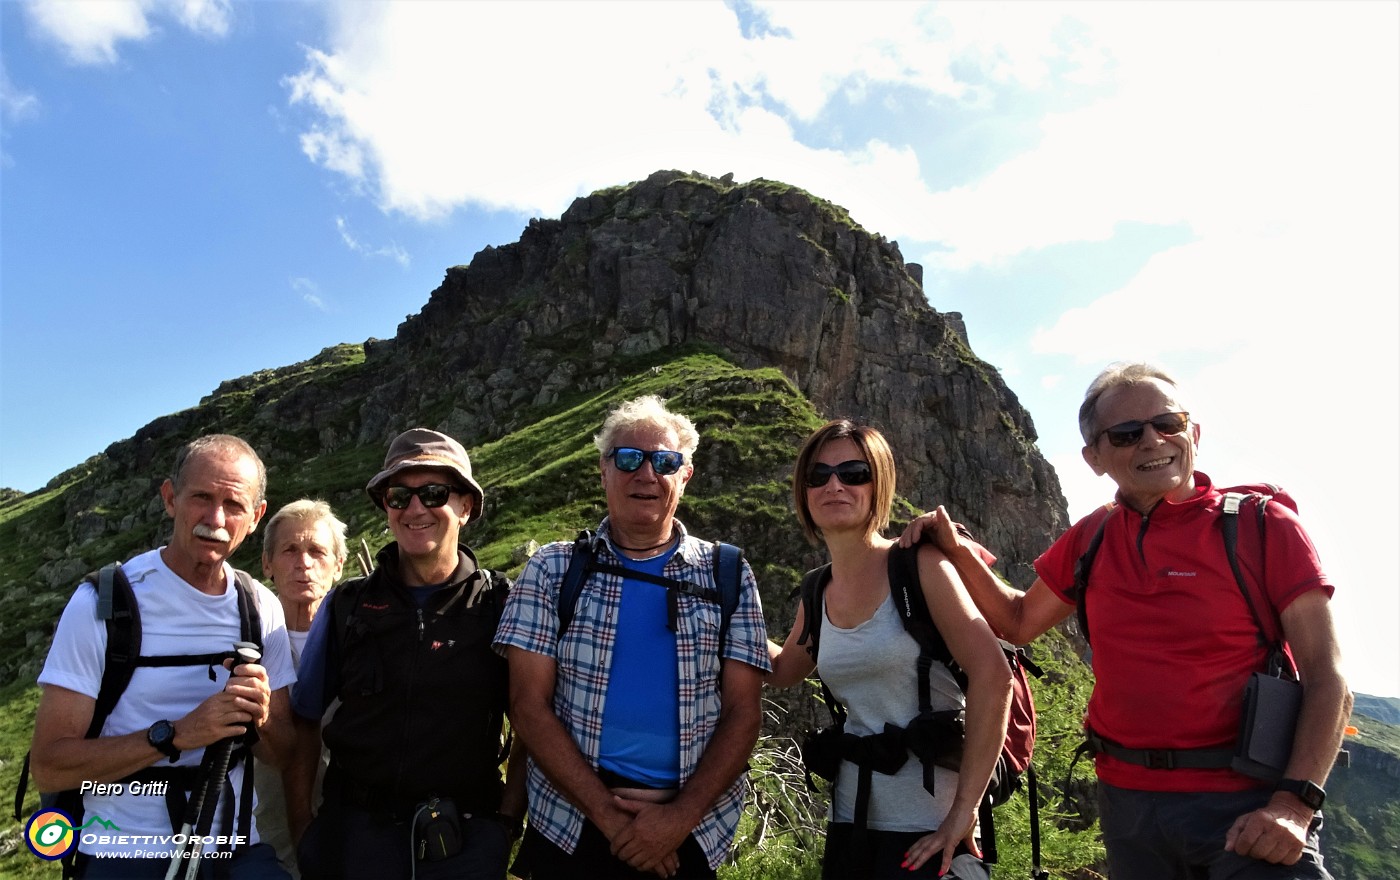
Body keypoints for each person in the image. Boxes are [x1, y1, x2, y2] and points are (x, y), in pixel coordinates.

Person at [902, 362, 1352, 879]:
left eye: (1169, 423)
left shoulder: (1263, 525)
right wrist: (956, 552)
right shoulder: (1094, 536)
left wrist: (1294, 806)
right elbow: (1019, 620)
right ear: (1095, 458)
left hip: (1248, 807)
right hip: (1129, 808)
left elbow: (1328, 677)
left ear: (1194, 434)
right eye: (1127, 433)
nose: (1153, 440)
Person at [495, 394, 771, 880]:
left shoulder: (727, 572)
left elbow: (744, 712)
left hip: (690, 831)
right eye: (628, 458)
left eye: (665, 461)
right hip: (570, 826)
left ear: (684, 477)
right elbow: (527, 706)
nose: (646, 473)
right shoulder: (554, 568)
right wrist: (609, 816)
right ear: (604, 471)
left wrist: (677, 819)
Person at [31, 433, 296, 878]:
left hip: (233, 849)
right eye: (201, 498)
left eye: (233, 505)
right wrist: (174, 735)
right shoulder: (104, 603)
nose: (215, 518)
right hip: (123, 852)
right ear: (170, 498)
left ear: (255, 516)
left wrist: (262, 717)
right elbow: (50, 766)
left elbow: (285, 754)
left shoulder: (260, 607)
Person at [766, 420, 1012, 880]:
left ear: (879, 484)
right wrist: (721, 614)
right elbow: (783, 669)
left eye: (853, 472)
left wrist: (964, 811)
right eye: (817, 476)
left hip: (930, 830)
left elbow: (993, 676)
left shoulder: (920, 566)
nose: (833, 485)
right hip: (852, 828)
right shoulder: (818, 589)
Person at [288, 428, 525, 880]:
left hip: (463, 843)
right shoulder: (347, 604)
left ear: (465, 506)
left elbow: (531, 724)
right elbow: (304, 719)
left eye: (434, 493)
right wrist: (304, 829)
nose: (415, 508)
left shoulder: (502, 604)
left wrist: (504, 829)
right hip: (351, 839)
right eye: (399, 496)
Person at [253, 500, 348, 878]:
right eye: (289, 550)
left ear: (338, 566)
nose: (303, 563)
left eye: (317, 552)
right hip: (258, 837)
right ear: (267, 563)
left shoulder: (360, 641)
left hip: (348, 832)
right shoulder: (245, 638)